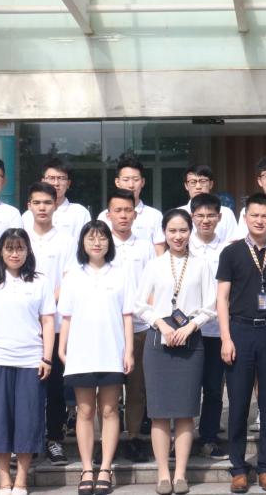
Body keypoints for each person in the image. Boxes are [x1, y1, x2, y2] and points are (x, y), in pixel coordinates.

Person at [217, 192, 266, 494]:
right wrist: (226, 338)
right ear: (245, 217)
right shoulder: (231, 252)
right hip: (240, 331)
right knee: (238, 403)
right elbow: (222, 299)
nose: (260, 221)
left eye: (265, 216)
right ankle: (238, 468)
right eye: (254, 215)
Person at [136, 209, 217, 495]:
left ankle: (180, 473)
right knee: (159, 412)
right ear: (164, 233)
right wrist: (160, 323)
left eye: (183, 230)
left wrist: (192, 326)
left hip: (191, 342)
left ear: (190, 231)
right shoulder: (154, 265)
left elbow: (211, 306)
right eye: (172, 231)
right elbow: (139, 304)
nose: (178, 236)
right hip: (159, 343)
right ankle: (162, 474)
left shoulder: (201, 265)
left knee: (185, 411)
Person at [0, 228, 56, 495]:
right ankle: (4, 480)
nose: (15, 253)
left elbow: (48, 321)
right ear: (1, 251)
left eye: (20, 248)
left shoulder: (40, 282)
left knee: (28, 420)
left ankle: (21, 480)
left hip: (31, 360)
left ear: (28, 251)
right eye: (10, 248)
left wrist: (47, 358)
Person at [59, 220, 135, 495]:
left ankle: (105, 468)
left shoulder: (121, 274)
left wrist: (128, 351)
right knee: (85, 411)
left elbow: (127, 316)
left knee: (110, 410)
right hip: (81, 352)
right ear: (82, 243)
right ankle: (86, 469)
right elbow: (66, 317)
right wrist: (62, 348)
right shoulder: (73, 276)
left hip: (112, 351)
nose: (97, 243)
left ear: (109, 243)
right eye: (91, 238)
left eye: (102, 238)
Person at [25, 182, 79, 466]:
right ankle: (29, 441)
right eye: (37, 203)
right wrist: (31, 307)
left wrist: (44, 304)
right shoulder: (20, 238)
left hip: (56, 325)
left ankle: (55, 439)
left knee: (56, 386)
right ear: (29, 206)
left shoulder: (67, 241)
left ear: (55, 205)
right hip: (25, 325)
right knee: (28, 387)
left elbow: (69, 279)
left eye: (47, 202)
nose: (42, 207)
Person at [106, 188, 156, 463]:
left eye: (128, 211)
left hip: (139, 327)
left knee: (137, 388)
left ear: (135, 214)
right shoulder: (101, 243)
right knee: (108, 390)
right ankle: (107, 442)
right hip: (108, 328)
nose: (123, 215)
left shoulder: (145, 245)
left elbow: (153, 285)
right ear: (108, 214)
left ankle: (134, 437)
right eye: (118, 210)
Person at [190, 193, 231, 460]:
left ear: (219, 217)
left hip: (217, 330)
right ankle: (181, 438)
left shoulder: (228, 249)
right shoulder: (182, 245)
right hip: (188, 330)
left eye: (210, 215)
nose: (205, 220)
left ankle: (208, 437)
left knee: (214, 389)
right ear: (192, 217)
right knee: (186, 387)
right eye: (200, 216)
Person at [99, 154, 165, 256]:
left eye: (136, 179)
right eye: (126, 180)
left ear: (142, 182)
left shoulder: (155, 215)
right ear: (117, 182)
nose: (131, 185)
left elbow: (159, 252)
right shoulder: (104, 216)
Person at [23, 157, 92, 240]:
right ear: (43, 181)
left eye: (61, 178)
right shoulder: (28, 215)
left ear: (68, 183)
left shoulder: (80, 213)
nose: (56, 183)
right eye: (51, 178)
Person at [180, 165, 238, 244]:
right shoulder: (178, 213)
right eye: (193, 182)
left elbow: (233, 243)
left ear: (211, 184)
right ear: (186, 186)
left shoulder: (226, 213)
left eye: (203, 181)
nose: (198, 187)